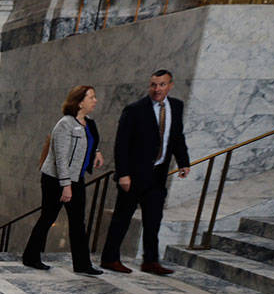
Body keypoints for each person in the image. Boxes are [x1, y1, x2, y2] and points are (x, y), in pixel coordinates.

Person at [100, 69, 191, 275]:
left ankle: (150, 262)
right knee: (121, 219)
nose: (157, 89)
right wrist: (123, 174)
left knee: (153, 220)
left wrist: (184, 162)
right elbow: (121, 144)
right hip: (133, 176)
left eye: (161, 85)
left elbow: (177, 137)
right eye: (153, 85)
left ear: (170, 85)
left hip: (158, 176)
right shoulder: (134, 110)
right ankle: (110, 258)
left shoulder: (176, 106)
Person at [22, 85, 105, 275]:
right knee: (48, 217)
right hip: (56, 180)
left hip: (77, 178)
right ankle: (31, 257)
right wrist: (66, 186)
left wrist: (97, 153)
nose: (95, 100)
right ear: (80, 101)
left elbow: (92, 141)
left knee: (78, 222)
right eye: (91, 97)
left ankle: (83, 265)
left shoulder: (89, 123)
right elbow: (60, 157)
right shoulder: (64, 124)